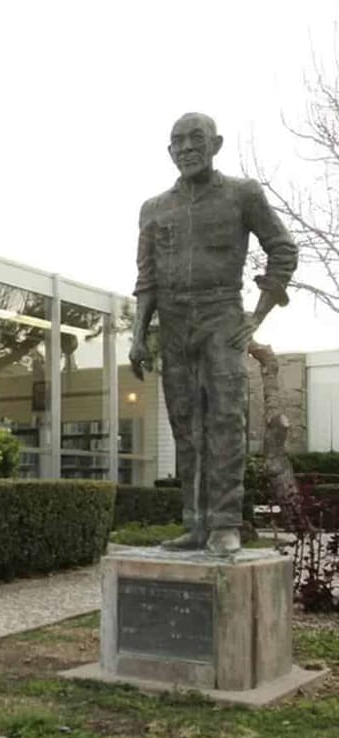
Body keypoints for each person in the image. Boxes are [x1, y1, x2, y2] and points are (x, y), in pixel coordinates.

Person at [130, 112, 298, 555]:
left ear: (216, 144)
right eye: (178, 141)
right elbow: (146, 278)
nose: (187, 148)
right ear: (169, 151)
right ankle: (195, 523)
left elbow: (283, 249)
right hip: (173, 322)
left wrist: (256, 317)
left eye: (196, 138)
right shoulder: (154, 208)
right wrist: (138, 335)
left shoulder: (243, 194)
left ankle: (225, 523)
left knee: (225, 421)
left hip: (222, 315)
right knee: (185, 426)